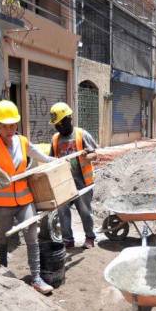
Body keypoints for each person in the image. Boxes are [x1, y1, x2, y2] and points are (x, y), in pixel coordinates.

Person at [0, 100, 56, 295]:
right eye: (5, 126)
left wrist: (57, 161)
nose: (10, 129)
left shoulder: (23, 142)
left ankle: (36, 278)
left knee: (32, 236)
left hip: (24, 200)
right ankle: (2, 273)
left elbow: (42, 157)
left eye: (13, 125)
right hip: (2, 204)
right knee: (3, 238)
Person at [48, 102, 98, 249]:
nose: (59, 127)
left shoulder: (81, 134)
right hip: (64, 182)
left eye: (61, 123)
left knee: (85, 211)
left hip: (82, 182)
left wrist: (87, 157)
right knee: (63, 211)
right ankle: (68, 240)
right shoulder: (55, 139)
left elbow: (94, 153)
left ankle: (89, 237)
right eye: (56, 124)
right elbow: (51, 159)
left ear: (69, 119)